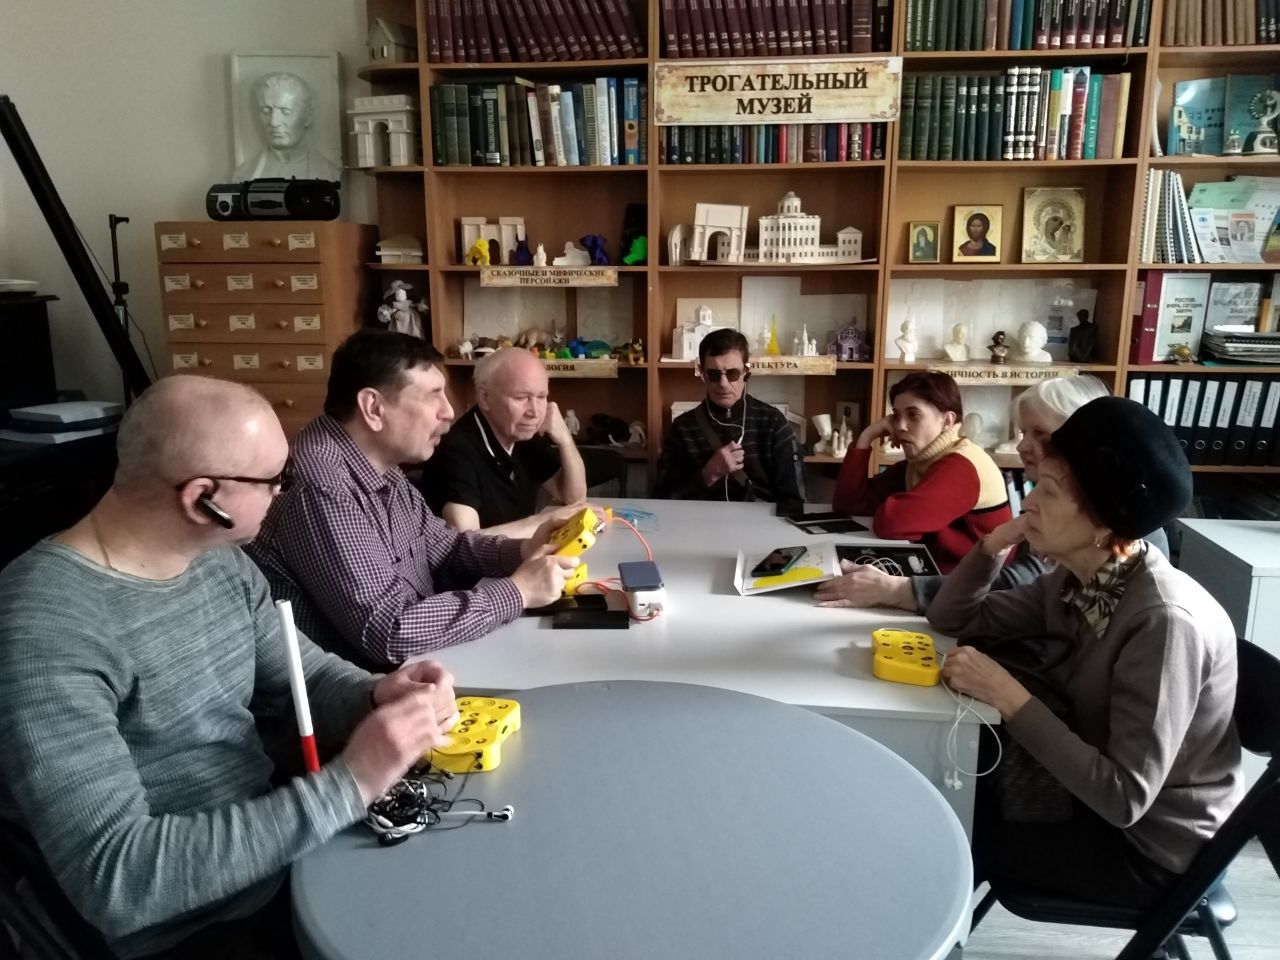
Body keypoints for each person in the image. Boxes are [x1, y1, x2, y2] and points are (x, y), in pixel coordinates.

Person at [0, 376, 456, 959]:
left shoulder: (219, 562)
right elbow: (117, 878)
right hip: (197, 929)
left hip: (283, 860)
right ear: (203, 498)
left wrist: (378, 693)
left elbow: (305, 677)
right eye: (273, 481)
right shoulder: (46, 626)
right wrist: (352, 783)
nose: (282, 495)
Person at [929, 396, 1240, 909]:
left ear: (1101, 523)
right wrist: (990, 546)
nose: (1027, 503)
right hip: (1085, 797)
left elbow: (1124, 798)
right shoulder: (1081, 579)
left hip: (1148, 849)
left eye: (1047, 492)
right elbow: (953, 618)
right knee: (949, 788)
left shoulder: (1163, 622)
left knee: (948, 825)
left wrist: (1008, 696)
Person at [247, 329, 578, 669]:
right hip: (366, 689)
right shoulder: (320, 484)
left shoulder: (380, 465)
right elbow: (389, 630)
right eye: (434, 396)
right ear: (373, 408)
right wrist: (518, 592)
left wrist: (523, 550)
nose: (449, 412)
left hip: (420, 666)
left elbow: (447, 549)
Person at [817, 376, 1172, 612]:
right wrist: (865, 439)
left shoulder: (1125, 523)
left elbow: (1015, 588)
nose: (1022, 447)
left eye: (1041, 435)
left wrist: (897, 591)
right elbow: (1029, 606)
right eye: (1023, 433)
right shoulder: (1055, 503)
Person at [827, 370, 1011, 575]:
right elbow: (850, 503)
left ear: (947, 421)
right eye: (896, 416)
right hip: (943, 575)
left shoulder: (962, 466)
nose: (900, 426)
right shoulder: (921, 461)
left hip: (977, 585)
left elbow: (891, 523)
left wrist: (895, 508)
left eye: (913, 415)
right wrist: (866, 437)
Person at [419, 347, 588, 535]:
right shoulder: (457, 450)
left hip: (516, 551)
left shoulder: (522, 433)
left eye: (541, 397)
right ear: (484, 397)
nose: (535, 412)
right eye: (521, 398)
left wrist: (565, 439)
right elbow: (466, 542)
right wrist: (547, 520)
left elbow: (573, 498)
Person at [653, 328, 804, 515]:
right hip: (698, 525)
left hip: (759, 526)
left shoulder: (773, 423)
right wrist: (709, 474)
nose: (723, 384)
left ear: (746, 372)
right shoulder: (682, 428)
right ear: (702, 372)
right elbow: (661, 499)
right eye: (713, 374)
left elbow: (793, 502)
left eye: (732, 374)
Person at [233, 72, 341, 182]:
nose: (274, 122)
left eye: (285, 111)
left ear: (308, 116)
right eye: (266, 111)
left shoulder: (331, 174)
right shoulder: (243, 174)